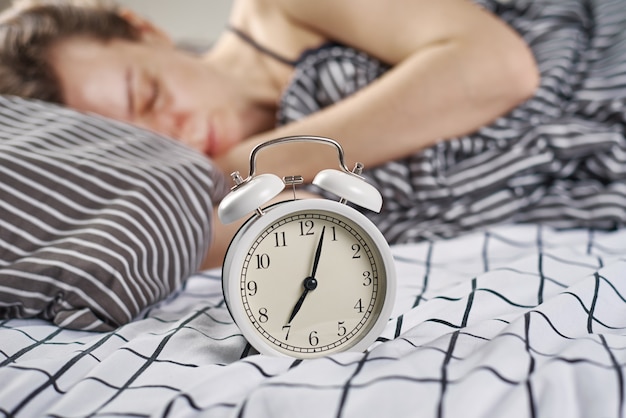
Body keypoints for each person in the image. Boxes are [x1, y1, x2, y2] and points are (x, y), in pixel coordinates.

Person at [0, 0, 540, 267]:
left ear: (144, 29)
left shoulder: (280, 10)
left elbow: (499, 68)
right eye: (135, 140)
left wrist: (246, 162)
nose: (174, 134)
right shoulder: (207, 201)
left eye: (149, 96)